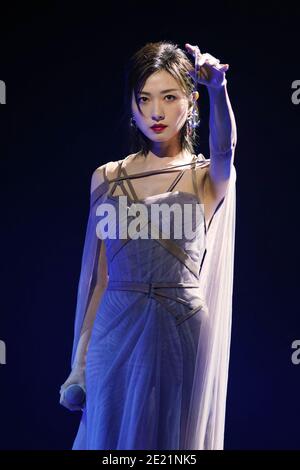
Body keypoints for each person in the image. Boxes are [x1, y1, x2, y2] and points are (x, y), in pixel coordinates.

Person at [59, 40, 237, 450]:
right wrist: (79, 364)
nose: (156, 111)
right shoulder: (107, 177)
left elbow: (226, 149)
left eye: (169, 97)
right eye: (145, 99)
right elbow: (100, 281)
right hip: (115, 325)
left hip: (180, 327)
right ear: (133, 104)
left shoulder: (206, 176)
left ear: (190, 102)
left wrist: (218, 89)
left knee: (171, 443)